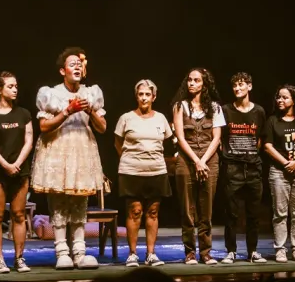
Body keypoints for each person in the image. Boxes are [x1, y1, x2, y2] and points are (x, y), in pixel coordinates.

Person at [31, 48, 106, 270]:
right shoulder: (52, 94)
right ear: (63, 70)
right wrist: (67, 111)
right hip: (59, 149)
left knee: (79, 202)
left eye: (79, 64)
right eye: (72, 64)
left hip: (81, 149)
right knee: (59, 202)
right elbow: (44, 126)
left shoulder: (90, 93)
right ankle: (62, 251)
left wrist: (90, 111)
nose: (77, 67)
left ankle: (80, 252)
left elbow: (102, 128)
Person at [114, 79, 173, 267]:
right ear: (136, 96)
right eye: (141, 94)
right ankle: (132, 254)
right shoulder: (126, 118)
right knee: (135, 211)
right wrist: (131, 160)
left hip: (156, 170)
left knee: (153, 212)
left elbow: (167, 143)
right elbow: (117, 143)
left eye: (148, 94)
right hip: (131, 171)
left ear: (154, 97)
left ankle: (151, 254)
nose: (144, 98)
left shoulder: (161, 118)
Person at [0, 71, 34, 274]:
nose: (15, 90)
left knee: (19, 214)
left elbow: (29, 141)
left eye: (16, 86)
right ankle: (0, 260)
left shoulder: (24, 114)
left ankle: (19, 258)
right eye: (10, 86)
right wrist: (5, 165)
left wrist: (17, 163)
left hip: (20, 170)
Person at [171, 67, 225, 265]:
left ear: (205, 84)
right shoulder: (180, 106)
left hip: (209, 161)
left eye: (196, 80)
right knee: (187, 209)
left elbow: (217, 138)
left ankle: (206, 252)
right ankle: (190, 252)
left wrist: (204, 161)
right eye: (189, 80)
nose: (191, 83)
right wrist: (196, 161)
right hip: (187, 160)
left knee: (206, 209)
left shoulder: (215, 108)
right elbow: (180, 137)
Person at [219, 72, 268, 264]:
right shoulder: (226, 110)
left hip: (253, 167)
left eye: (241, 84)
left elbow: (260, 138)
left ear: (250, 86)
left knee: (253, 214)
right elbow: (220, 137)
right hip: (232, 167)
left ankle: (252, 251)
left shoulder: (259, 111)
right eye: (235, 86)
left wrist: (250, 154)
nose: (238, 88)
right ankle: (231, 251)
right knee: (231, 213)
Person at [263, 84, 295, 263]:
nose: (280, 100)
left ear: (294, 100)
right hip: (279, 172)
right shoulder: (272, 120)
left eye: (285, 97)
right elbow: (267, 146)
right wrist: (285, 163)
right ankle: (280, 249)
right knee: (280, 213)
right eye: (278, 97)